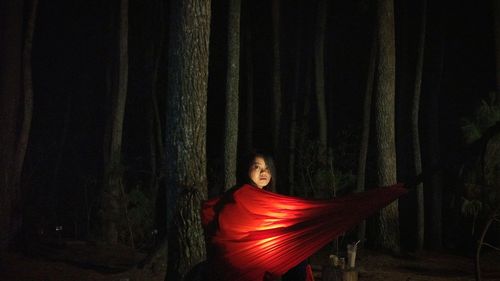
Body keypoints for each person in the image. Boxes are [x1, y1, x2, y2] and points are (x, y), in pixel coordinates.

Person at [202, 151, 407, 281]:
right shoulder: (241, 196)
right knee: (297, 258)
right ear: (247, 170)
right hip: (244, 258)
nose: (263, 172)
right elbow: (230, 228)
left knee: (298, 256)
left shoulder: (269, 200)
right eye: (257, 166)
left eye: (267, 168)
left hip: (267, 255)